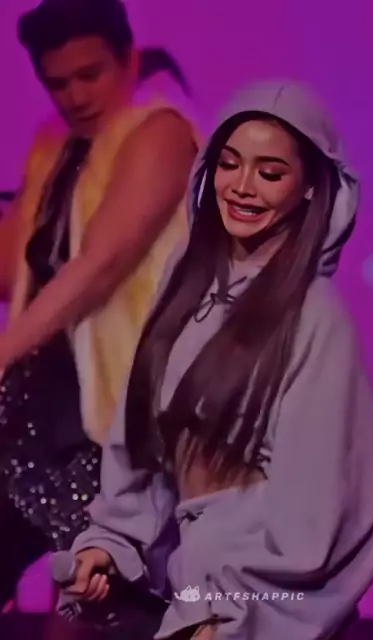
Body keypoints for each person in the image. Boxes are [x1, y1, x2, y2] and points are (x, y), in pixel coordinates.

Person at [61, 80, 373, 639]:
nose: (242, 187)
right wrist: (111, 543)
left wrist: (229, 612)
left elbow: (314, 514)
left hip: (255, 605)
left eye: (270, 173)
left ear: (309, 188)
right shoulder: (185, 281)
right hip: (194, 587)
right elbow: (143, 440)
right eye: (229, 163)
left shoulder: (314, 316)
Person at [0, 0, 198, 610]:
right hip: (33, 406)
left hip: (114, 421)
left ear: (129, 60)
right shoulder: (53, 145)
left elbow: (100, 266)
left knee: (91, 606)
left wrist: (2, 351)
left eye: (91, 75)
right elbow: (19, 271)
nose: (75, 96)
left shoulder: (160, 132)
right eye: (57, 83)